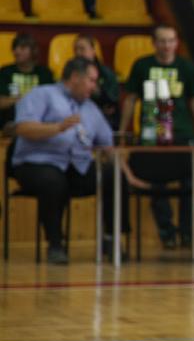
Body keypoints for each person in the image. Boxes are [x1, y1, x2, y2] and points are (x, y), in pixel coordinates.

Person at [10, 58, 131, 264]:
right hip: (36, 163)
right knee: (53, 181)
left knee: (113, 175)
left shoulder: (91, 108)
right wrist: (57, 128)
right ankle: (55, 244)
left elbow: (107, 146)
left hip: (77, 165)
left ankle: (111, 237)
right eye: (91, 80)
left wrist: (127, 174)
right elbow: (23, 128)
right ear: (75, 77)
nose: (94, 86)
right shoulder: (42, 94)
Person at [119, 24, 194, 249]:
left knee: (188, 183)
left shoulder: (186, 67)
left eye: (171, 40)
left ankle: (187, 233)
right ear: (154, 43)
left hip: (182, 134)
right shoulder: (142, 65)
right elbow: (131, 99)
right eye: (162, 41)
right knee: (156, 183)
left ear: (176, 42)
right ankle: (167, 231)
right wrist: (123, 130)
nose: (167, 45)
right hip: (151, 135)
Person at [0, 34, 54, 132]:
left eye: (22, 48)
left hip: (38, 119)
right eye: (15, 48)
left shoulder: (44, 73)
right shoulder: (5, 72)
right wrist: (20, 99)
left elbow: (51, 102)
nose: (17, 51)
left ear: (33, 51)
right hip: (11, 119)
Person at [73, 34, 120, 130]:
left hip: (103, 119)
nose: (78, 53)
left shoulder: (106, 73)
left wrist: (97, 92)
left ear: (93, 51)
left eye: (82, 49)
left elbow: (112, 103)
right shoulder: (71, 73)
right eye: (76, 49)